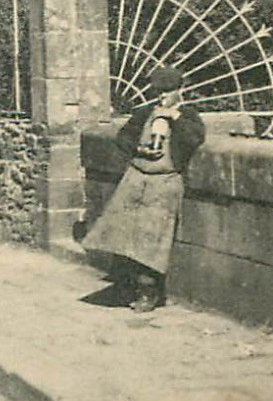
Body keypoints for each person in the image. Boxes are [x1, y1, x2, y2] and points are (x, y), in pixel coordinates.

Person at [80, 65, 206, 312]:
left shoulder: (188, 114)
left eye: (167, 92)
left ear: (180, 90)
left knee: (152, 240)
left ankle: (150, 292)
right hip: (136, 178)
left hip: (164, 182)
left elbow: (194, 139)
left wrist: (175, 117)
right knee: (123, 233)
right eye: (159, 92)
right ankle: (127, 286)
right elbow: (123, 137)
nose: (162, 97)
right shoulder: (146, 112)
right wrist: (138, 150)